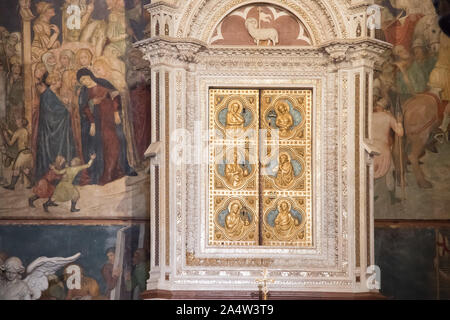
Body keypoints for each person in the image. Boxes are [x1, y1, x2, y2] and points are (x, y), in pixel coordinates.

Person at [77, 68, 137, 186]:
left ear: (90, 75)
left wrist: (115, 113)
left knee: (118, 140)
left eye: (85, 78)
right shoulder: (84, 92)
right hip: (98, 121)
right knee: (102, 143)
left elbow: (115, 96)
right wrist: (92, 123)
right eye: (81, 80)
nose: (84, 81)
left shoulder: (103, 83)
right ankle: (105, 172)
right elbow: (85, 109)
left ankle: (123, 167)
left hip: (111, 118)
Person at [35, 72, 76, 182]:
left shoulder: (54, 93)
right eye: (58, 80)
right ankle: (53, 178)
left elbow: (58, 108)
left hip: (58, 130)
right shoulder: (47, 95)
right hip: (51, 132)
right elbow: (51, 113)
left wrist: (65, 105)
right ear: (53, 82)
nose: (60, 83)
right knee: (54, 154)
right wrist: (66, 110)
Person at [372, 98, 404, 204]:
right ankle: (392, 198)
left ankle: (369, 197)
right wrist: (399, 122)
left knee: (369, 172)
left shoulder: (369, 116)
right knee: (390, 172)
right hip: (383, 149)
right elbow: (400, 133)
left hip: (370, 149)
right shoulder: (388, 117)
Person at [2, 118, 33, 190]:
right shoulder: (25, 130)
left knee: (16, 169)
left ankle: (12, 186)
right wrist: (8, 130)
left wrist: (5, 135)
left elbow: (10, 143)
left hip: (22, 154)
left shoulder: (18, 131)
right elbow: (16, 135)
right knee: (25, 170)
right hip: (28, 153)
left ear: (21, 123)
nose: (16, 121)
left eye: (18, 120)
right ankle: (33, 183)